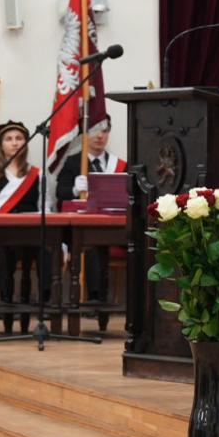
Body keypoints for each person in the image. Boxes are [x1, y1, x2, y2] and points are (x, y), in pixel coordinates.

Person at [0, 121, 45, 307]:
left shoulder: (37, 174)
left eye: (19, 139)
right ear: (0, 145)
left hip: (30, 231)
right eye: (9, 139)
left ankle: (44, 301)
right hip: (1, 230)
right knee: (5, 248)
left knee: (47, 250)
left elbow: (46, 205)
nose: (14, 143)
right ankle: (6, 301)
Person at [54, 117, 126, 304]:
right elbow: (60, 193)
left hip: (112, 226)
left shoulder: (118, 165)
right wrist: (74, 190)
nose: (100, 136)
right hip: (81, 228)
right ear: (84, 134)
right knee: (93, 244)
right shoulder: (72, 162)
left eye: (104, 130)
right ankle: (95, 299)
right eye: (94, 130)